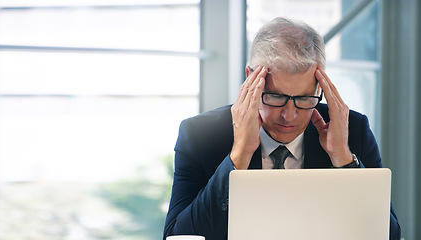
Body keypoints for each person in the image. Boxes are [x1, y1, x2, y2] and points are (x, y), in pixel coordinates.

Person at [163, 17, 401, 240]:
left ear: (321, 86)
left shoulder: (352, 130)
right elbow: (178, 235)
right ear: (250, 78)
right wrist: (239, 156)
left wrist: (343, 160)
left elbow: (388, 235)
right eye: (276, 97)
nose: (289, 115)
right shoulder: (200, 135)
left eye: (304, 98)